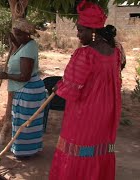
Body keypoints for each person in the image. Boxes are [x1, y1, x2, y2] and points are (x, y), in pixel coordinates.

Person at [49, 1, 122, 179]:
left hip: (86, 113)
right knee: (99, 148)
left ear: (93, 31)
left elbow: (71, 88)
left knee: (79, 148)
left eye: (81, 30)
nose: (78, 34)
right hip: (107, 112)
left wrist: (57, 87)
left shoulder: (85, 54)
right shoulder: (114, 52)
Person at [0, 18, 46, 158]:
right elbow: (17, 44)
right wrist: (13, 39)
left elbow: (25, 76)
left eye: (19, 34)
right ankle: (28, 150)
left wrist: (7, 75)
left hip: (28, 89)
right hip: (25, 89)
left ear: (27, 34)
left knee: (24, 123)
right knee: (24, 121)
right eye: (15, 33)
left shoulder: (29, 47)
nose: (17, 37)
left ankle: (24, 152)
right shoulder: (24, 44)